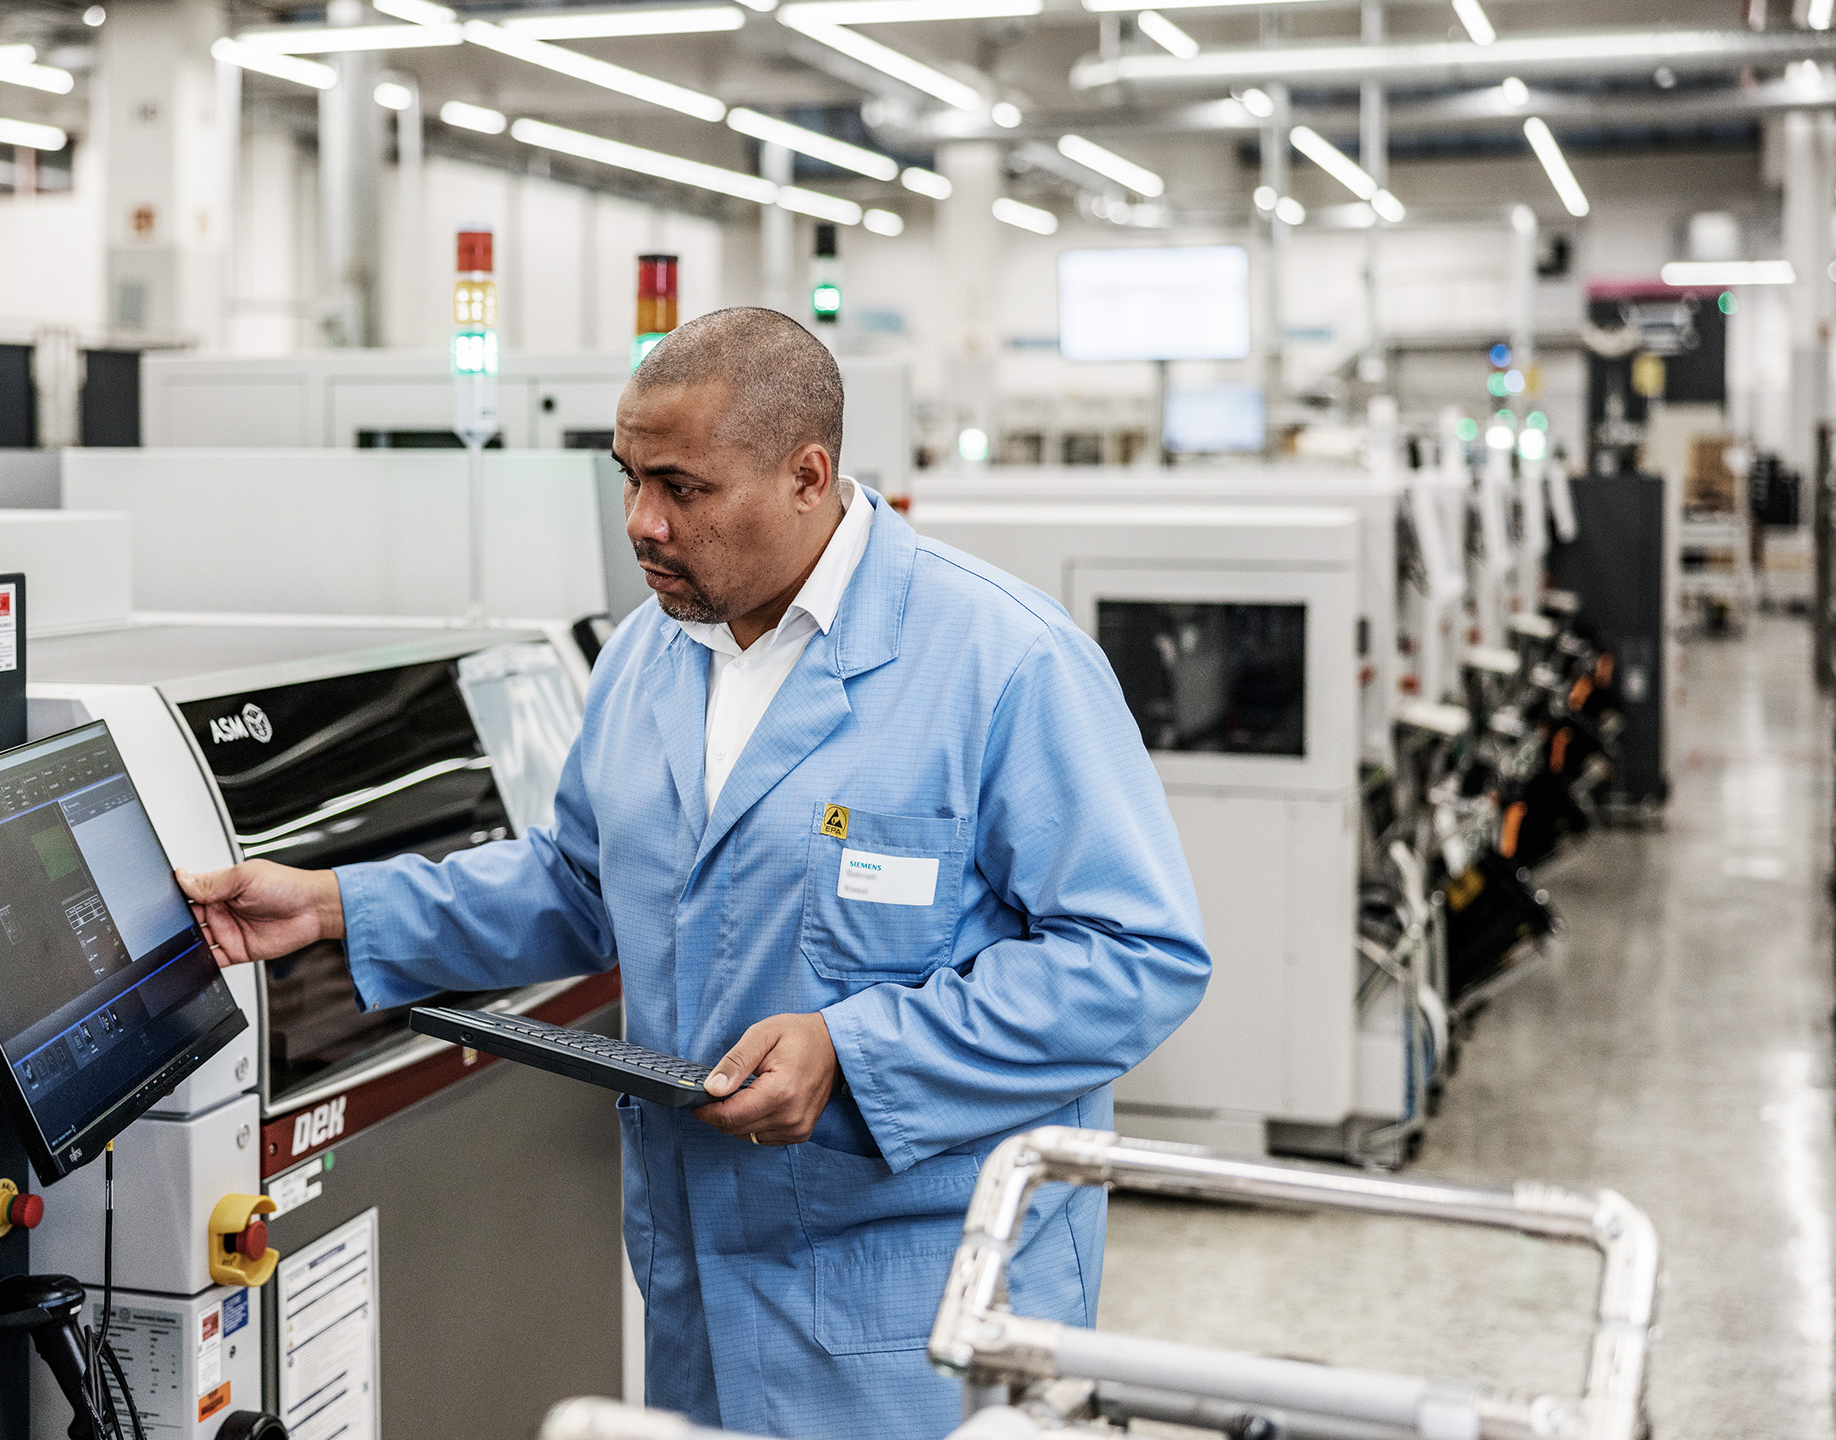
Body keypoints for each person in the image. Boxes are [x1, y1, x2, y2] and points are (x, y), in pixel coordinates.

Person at [178, 308, 1210, 1439]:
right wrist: (336, 904)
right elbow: (580, 884)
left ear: (808, 476)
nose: (641, 524)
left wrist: (855, 1055)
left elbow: (1137, 961)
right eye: (628, 479)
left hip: (920, 1304)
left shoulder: (1003, 663)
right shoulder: (650, 654)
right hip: (701, 1279)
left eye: (682, 488)